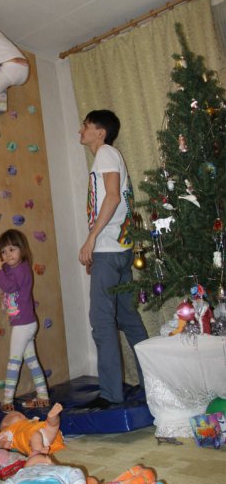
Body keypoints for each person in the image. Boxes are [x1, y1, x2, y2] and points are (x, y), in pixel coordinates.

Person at [78, 110, 148, 409]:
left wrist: (92, 239)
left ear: (100, 132)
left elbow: (112, 196)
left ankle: (110, 394)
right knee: (128, 318)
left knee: (102, 320)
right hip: (118, 249)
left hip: (109, 248)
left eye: (86, 126)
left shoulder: (106, 153)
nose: (81, 130)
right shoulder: (110, 155)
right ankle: (153, 381)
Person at [0, 229, 49, 413]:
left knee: (14, 361)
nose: (7, 254)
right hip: (27, 323)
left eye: (12, 249)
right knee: (31, 360)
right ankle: (43, 396)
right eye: (4, 251)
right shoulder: (12, 268)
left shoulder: (22, 269)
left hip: (23, 325)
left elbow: (9, 286)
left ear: (22, 249)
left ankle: (7, 400)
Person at [0, 402, 65, 456]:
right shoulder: (7, 431)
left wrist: (4, 445)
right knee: (52, 426)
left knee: (36, 435)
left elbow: (3, 446)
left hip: (35, 436)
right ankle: (52, 418)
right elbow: (2, 445)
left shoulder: (21, 427)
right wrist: (3, 445)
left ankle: (38, 452)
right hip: (45, 432)